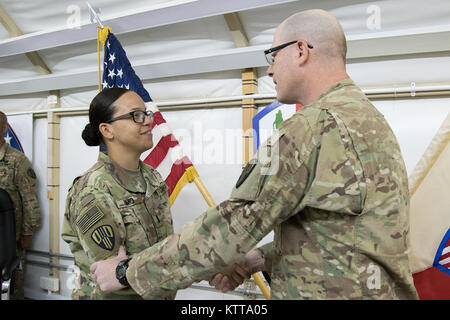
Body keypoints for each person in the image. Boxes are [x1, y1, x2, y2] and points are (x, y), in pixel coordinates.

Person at [90, 9, 419, 300]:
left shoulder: (310, 129)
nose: (270, 71)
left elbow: (230, 227)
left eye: (272, 56)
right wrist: (257, 260)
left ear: (301, 50)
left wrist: (126, 272)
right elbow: (344, 234)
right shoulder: (369, 121)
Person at [61, 87, 176, 300]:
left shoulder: (151, 176)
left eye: (147, 113)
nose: (149, 121)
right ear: (107, 130)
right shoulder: (94, 189)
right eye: (136, 115)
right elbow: (115, 277)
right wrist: (196, 262)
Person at [0, 111, 41, 300]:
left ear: (5, 128)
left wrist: (27, 232)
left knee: (13, 283)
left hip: (10, 235)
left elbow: (29, 199)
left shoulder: (17, 160)